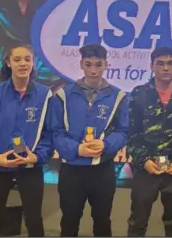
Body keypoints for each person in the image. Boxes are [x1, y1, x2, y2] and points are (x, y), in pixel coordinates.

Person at [0, 43, 54, 237]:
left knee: (34, 222)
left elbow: (50, 133)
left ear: (34, 62)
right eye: (17, 59)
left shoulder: (45, 95)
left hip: (30, 168)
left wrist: (37, 157)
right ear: (8, 63)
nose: (23, 64)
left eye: (27, 59)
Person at [51, 43, 129, 237]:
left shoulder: (118, 96)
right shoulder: (63, 95)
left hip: (102, 170)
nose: (93, 70)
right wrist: (77, 149)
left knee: (102, 220)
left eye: (98, 64)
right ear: (81, 65)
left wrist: (106, 145)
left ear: (106, 65)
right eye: (88, 64)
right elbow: (55, 131)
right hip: (72, 169)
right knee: (69, 220)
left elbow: (124, 131)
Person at [127, 47, 172, 237]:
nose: (166, 68)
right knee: (137, 222)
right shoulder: (139, 94)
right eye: (160, 63)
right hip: (146, 169)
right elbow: (131, 132)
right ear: (152, 66)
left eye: (170, 63)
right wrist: (144, 161)